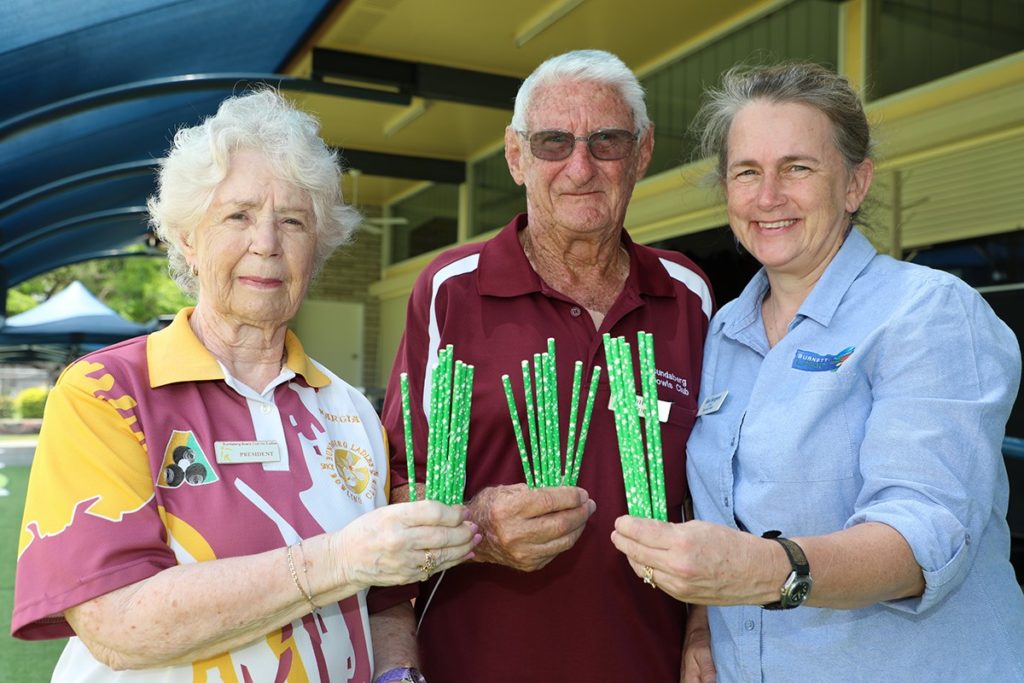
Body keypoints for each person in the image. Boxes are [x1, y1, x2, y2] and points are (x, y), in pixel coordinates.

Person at [11, 89, 479, 682]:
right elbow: (117, 622)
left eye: (293, 221)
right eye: (238, 215)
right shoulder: (107, 392)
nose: (267, 243)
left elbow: (384, 599)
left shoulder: (349, 410)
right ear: (187, 236)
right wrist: (336, 560)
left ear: (318, 246)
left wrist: (396, 676)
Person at [611, 62, 1024, 681]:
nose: (768, 196)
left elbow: (925, 535)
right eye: (746, 172)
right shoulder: (722, 333)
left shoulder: (928, 312)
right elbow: (718, 513)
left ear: (856, 184)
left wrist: (768, 570)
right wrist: (702, 625)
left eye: (797, 168)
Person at [370, 50, 714, 683]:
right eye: (554, 142)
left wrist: (703, 627)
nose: (580, 167)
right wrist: (476, 526)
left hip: (651, 664)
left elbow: (718, 491)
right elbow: (390, 491)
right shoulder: (451, 291)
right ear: (516, 155)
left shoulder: (688, 294)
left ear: (641, 153)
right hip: (475, 664)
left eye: (606, 141)